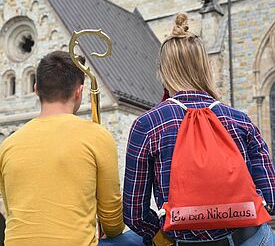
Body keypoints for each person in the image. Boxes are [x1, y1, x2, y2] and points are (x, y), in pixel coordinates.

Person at [123, 13, 275, 246]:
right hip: (245, 238)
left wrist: (165, 230)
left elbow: (134, 213)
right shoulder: (241, 120)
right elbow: (271, 197)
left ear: (163, 72)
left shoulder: (148, 124)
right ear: (206, 68)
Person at [0, 51, 142, 246]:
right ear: (79, 91)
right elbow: (112, 221)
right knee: (141, 239)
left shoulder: (8, 145)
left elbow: (11, 210)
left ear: (36, 89)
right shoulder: (96, 136)